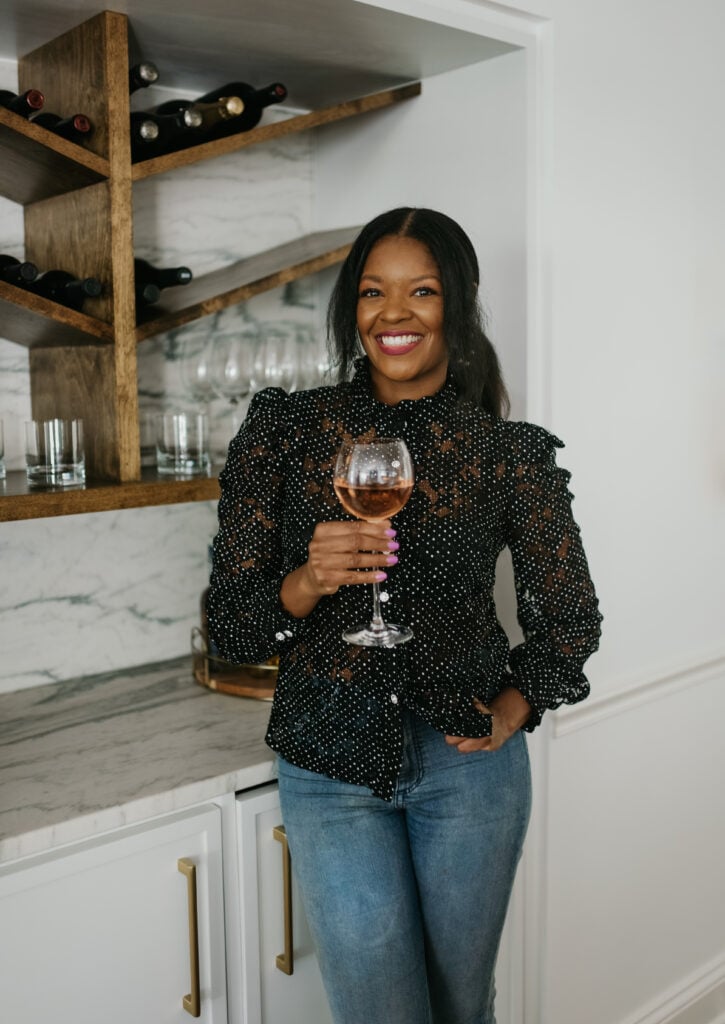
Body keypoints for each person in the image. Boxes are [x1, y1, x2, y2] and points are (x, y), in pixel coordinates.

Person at [207, 207, 602, 1024]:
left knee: (461, 1008)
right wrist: (309, 579)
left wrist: (510, 709)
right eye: (372, 292)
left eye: (420, 291)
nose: (394, 313)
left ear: (455, 305)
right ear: (352, 309)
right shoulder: (286, 433)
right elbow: (234, 629)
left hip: (469, 773)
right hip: (327, 767)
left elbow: (567, 620)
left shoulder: (506, 453)